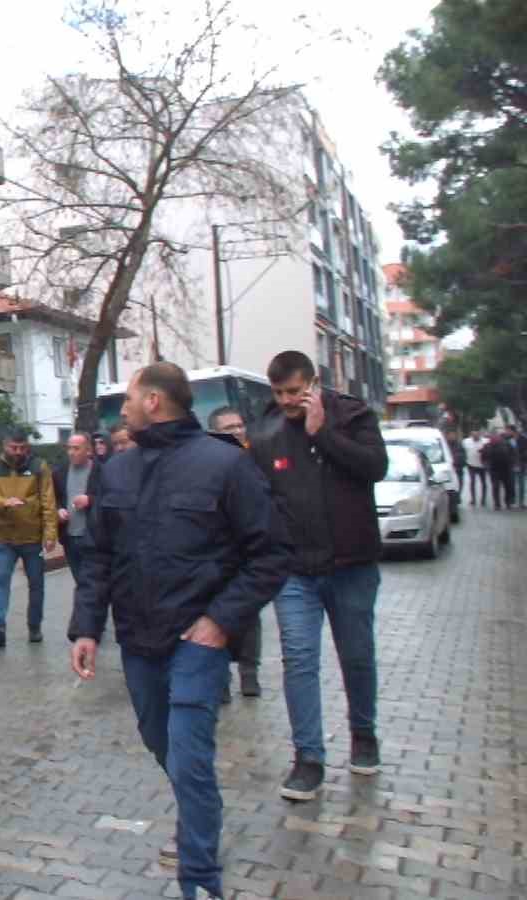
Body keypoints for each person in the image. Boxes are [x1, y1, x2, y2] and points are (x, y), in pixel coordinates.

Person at [69, 362, 287, 900]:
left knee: (190, 757)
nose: (121, 409)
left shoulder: (225, 465)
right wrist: (87, 629)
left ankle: (200, 881)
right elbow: (97, 558)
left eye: (130, 398)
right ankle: (200, 810)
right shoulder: (115, 472)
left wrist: (221, 621)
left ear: (154, 402)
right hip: (138, 642)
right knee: (161, 741)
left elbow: (271, 552)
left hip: (198, 640)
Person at [248, 351, 388, 802]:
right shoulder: (265, 431)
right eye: (278, 393)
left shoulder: (353, 414)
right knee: (299, 660)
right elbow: (258, 499)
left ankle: (363, 735)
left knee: (357, 656)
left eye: (294, 391)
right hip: (295, 572)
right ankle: (308, 759)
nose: (287, 400)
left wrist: (321, 433)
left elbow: (374, 468)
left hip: (352, 565)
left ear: (314, 383)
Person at [0, 434, 57, 647]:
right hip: (5, 538)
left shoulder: (39, 467)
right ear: (5, 445)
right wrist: (3, 502)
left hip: (33, 538)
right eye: (14, 447)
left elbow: (49, 501)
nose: (19, 452)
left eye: (22, 447)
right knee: (1, 581)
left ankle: (34, 626)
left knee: (36, 584)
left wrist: (50, 534)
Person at [207, 406, 262, 700]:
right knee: (218, 614)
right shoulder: (208, 463)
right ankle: (222, 678)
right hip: (218, 553)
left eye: (239, 425)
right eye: (229, 428)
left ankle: (249, 673)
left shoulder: (256, 458)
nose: (237, 431)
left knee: (250, 615)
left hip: (249, 550)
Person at [54, 434, 102, 591]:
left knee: (93, 584)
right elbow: (54, 498)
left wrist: (90, 500)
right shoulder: (60, 472)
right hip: (69, 538)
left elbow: (110, 498)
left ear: (88, 450)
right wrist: (58, 510)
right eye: (69, 448)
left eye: (76, 448)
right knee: (81, 582)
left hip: (93, 537)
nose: (71, 452)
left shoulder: (100, 470)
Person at [482, 430, 516, 509]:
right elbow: (484, 457)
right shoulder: (487, 446)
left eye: (496, 437)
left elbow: (513, 454)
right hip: (494, 469)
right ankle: (497, 503)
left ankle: (507, 502)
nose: (495, 438)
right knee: (495, 486)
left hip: (506, 469)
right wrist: (486, 465)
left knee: (508, 486)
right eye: (493, 437)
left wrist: (512, 463)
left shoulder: (506, 444)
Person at [461, 429, 488, 506]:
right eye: (473, 435)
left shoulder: (485, 441)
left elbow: (489, 452)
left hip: (482, 465)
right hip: (471, 464)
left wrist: (484, 452)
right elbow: (463, 451)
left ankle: (483, 499)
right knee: (472, 482)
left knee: (483, 482)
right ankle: (473, 499)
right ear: (471, 435)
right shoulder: (466, 441)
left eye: (477, 435)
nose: (475, 436)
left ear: (479, 435)